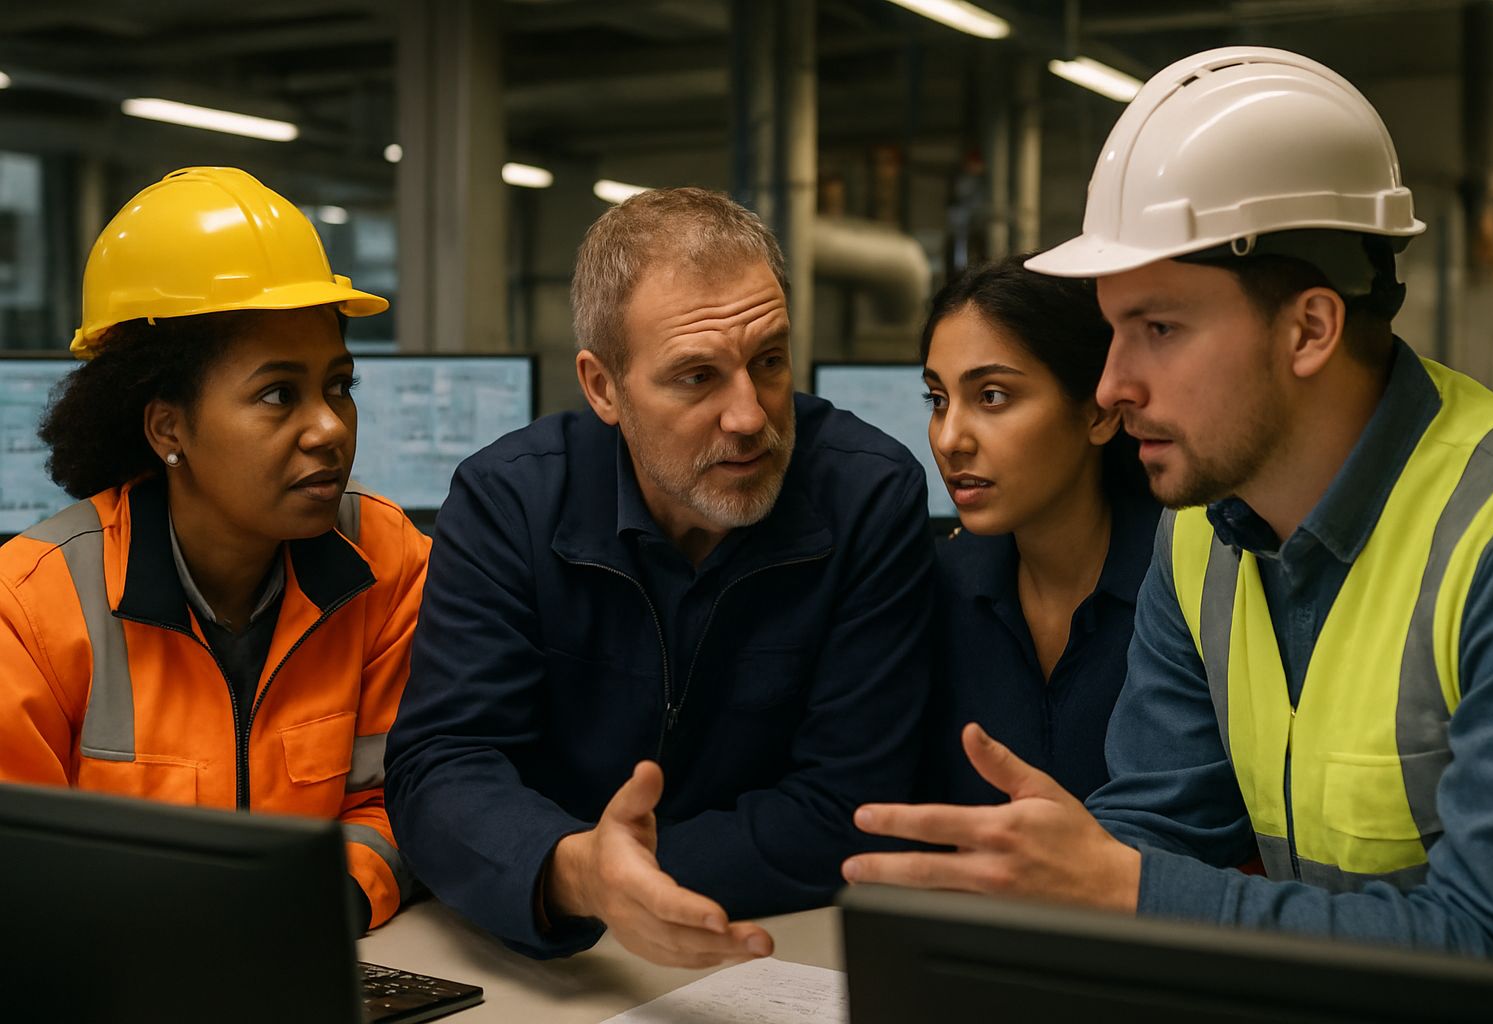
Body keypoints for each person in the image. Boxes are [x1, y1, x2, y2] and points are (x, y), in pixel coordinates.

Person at [842, 46, 1493, 957]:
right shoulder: (1202, 537)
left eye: (1158, 329)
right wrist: (1052, 879)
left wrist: (1121, 884)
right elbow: (1159, 827)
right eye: (1113, 331)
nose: (1114, 383)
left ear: (1310, 329)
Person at [385, 187, 933, 966]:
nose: (749, 415)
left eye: (768, 361)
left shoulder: (866, 497)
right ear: (603, 386)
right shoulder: (510, 502)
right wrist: (572, 872)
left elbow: (849, 804)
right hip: (551, 950)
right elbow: (442, 765)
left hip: (781, 947)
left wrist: (629, 878)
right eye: (696, 377)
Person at [0, 167, 431, 935]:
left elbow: (406, 798)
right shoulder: (33, 607)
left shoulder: (387, 560)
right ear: (168, 428)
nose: (329, 427)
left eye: (339, 386)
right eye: (278, 395)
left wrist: (321, 904)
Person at [920, 258, 1157, 804]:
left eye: (992, 397)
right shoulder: (936, 588)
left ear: (1099, 414)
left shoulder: (1185, 587)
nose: (950, 438)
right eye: (937, 400)